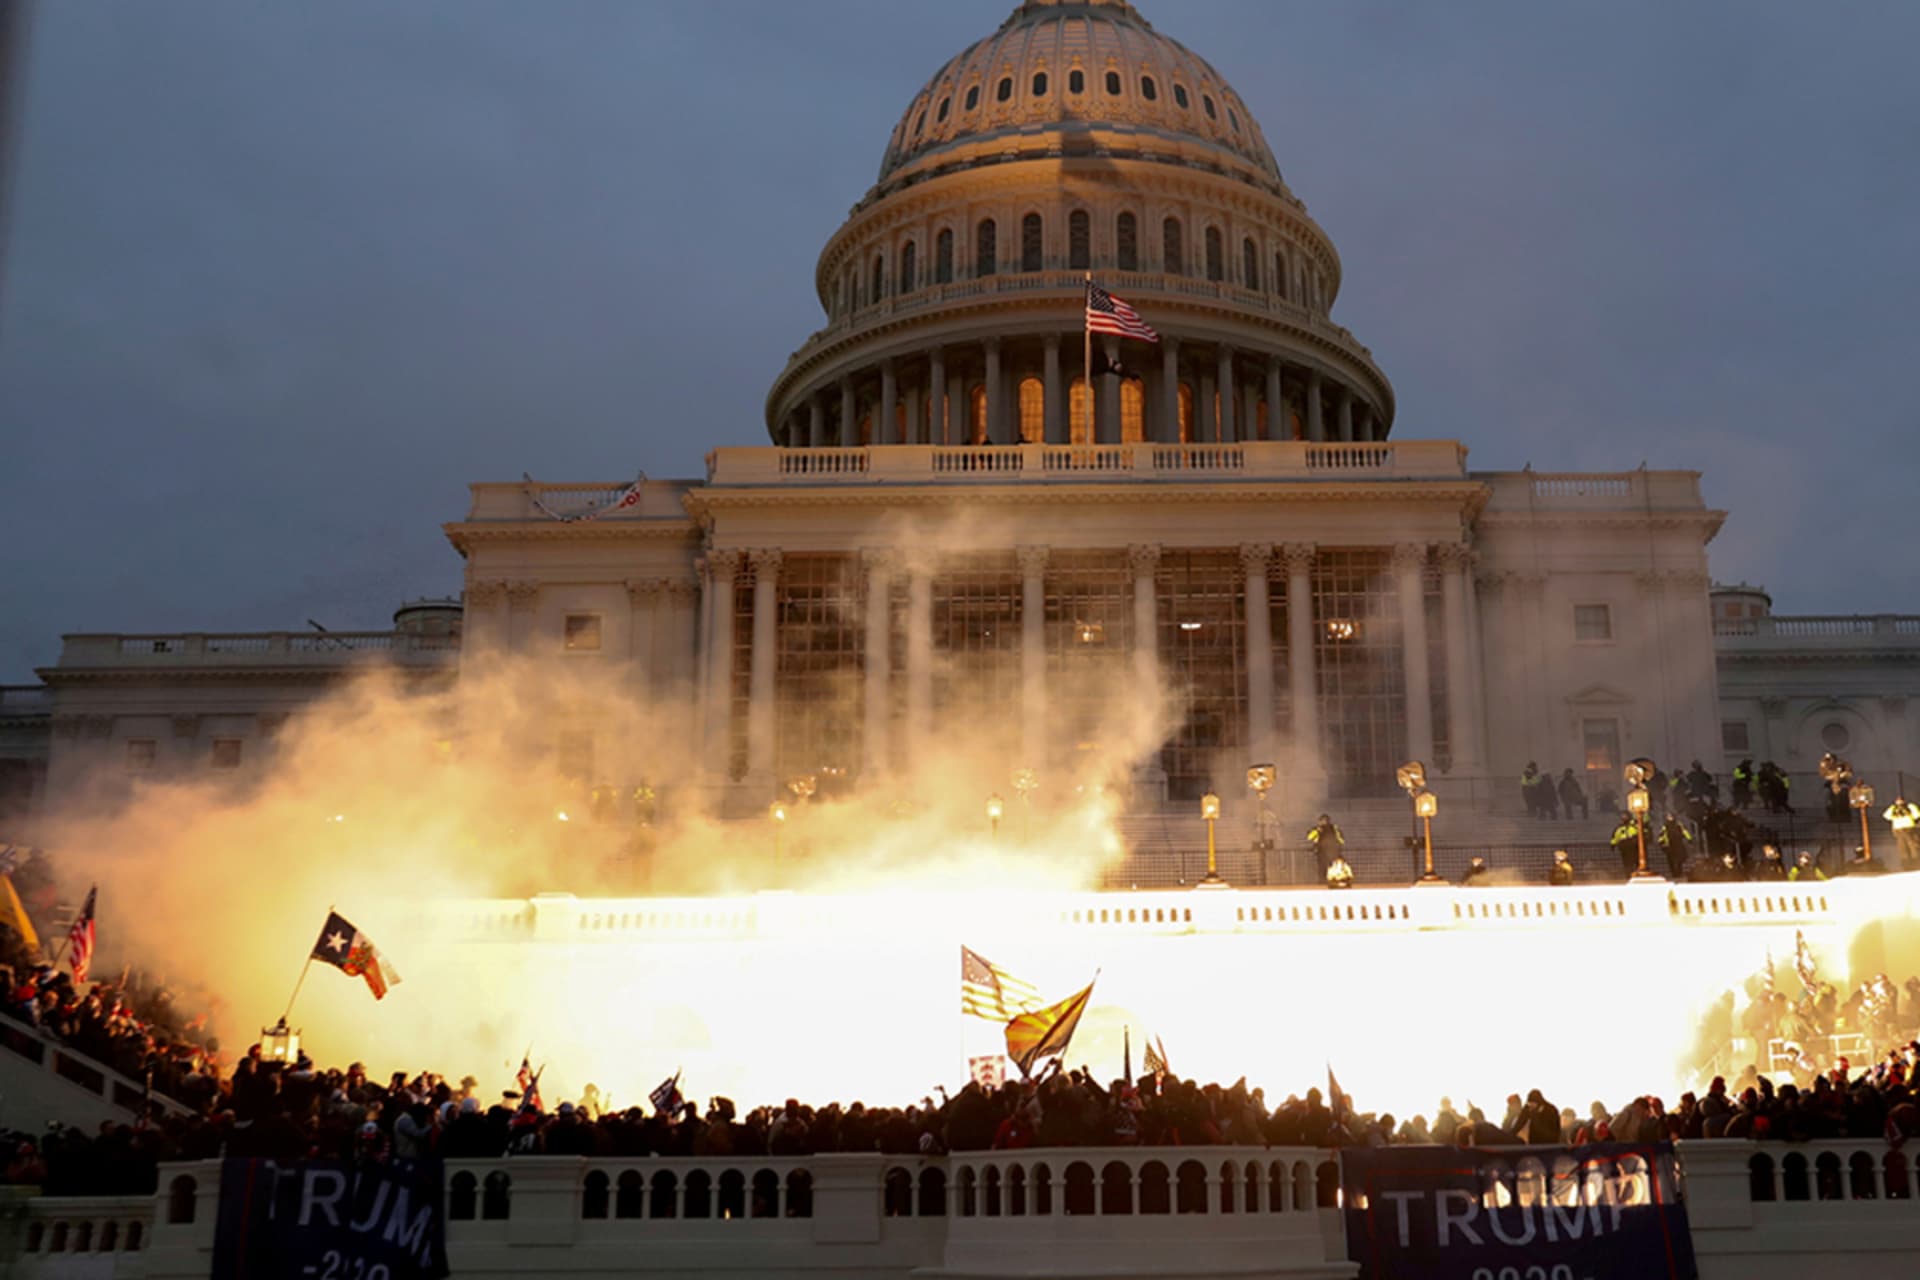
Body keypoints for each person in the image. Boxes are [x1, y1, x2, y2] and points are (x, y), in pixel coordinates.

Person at [1884, 796, 1920, 869]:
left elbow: (1917, 815)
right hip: (1899, 830)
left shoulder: (1909, 807)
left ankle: (1915, 863)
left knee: (1913, 847)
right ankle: (1906, 864)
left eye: (1901, 801)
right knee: (1902, 848)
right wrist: (1893, 808)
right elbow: (1886, 816)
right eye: (1898, 801)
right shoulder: (1894, 809)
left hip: (1909, 829)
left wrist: (1910, 808)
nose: (1899, 802)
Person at [1657, 813, 1693, 879]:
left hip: (1678, 844)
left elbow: (1684, 831)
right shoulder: (1665, 826)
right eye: (1668, 817)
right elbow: (1661, 834)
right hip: (1669, 845)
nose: (1670, 818)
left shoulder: (1679, 825)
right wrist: (1661, 842)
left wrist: (1689, 838)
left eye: (1671, 817)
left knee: (1680, 859)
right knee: (1670, 860)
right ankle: (1674, 873)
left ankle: (1679, 871)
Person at [1611, 812, 1642, 878]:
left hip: (1632, 846)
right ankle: (1628, 875)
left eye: (1625, 816)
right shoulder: (1619, 828)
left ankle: (1636, 874)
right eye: (1623, 816)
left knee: (1634, 861)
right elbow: (1615, 837)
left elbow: (1640, 835)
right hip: (1624, 847)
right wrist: (1613, 845)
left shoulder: (1634, 826)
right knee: (1627, 863)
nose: (1624, 818)